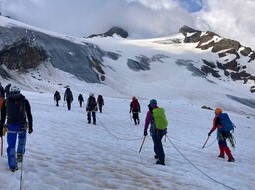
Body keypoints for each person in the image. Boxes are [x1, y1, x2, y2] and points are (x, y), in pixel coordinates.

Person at [0, 85, 33, 172]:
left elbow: (2, 117)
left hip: (11, 126)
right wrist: (31, 126)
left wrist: (1, 128)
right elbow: (29, 114)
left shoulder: (6, 102)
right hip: (22, 126)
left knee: (11, 146)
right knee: (21, 143)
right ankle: (20, 155)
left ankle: (13, 166)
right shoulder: (24, 101)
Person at [143, 99, 167, 165]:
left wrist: (145, 130)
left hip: (155, 131)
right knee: (157, 143)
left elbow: (147, 122)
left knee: (158, 145)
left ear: (150, 104)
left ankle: (161, 160)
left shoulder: (150, 112)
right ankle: (157, 154)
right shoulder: (160, 110)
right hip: (162, 130)